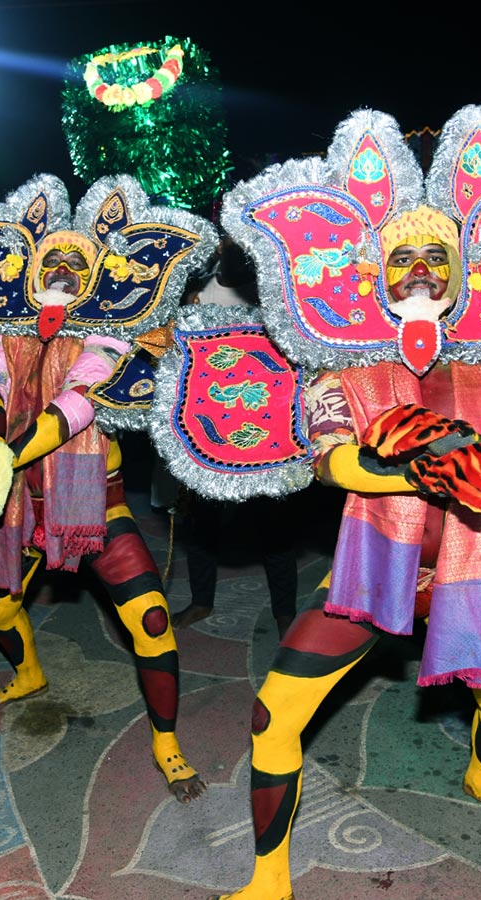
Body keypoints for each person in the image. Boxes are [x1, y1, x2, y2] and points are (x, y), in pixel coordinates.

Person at [211, 205, 481, 900]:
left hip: (468, 574)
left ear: (463, 272)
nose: (420, 271)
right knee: (274, 715)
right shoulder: (342, 368)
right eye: (402, 258)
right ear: (374, 277)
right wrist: (417, 470)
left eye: (434, 257)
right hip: (372, 570)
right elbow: (332, 464)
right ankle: (268, 883)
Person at [0, 220, 205, 802]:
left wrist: (2, 457)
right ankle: (28, 672)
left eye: (77, 266)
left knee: (152, 621)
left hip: (91, 502)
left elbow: (80, 398)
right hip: (15, 508)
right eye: (51, 262)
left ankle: (166, 743)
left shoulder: (110, 332)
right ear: (28, 273)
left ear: (95, 279)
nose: (62, 272)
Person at [169, 239, 300, 638]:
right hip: (209, 428)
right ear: (221, 245)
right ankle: (201, 600)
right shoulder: (195, 290)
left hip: (266, 428)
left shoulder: (276, 293)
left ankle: (285, 614)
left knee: (276, 527)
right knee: (201, 524)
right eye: (232, 245)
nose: (241, 253)